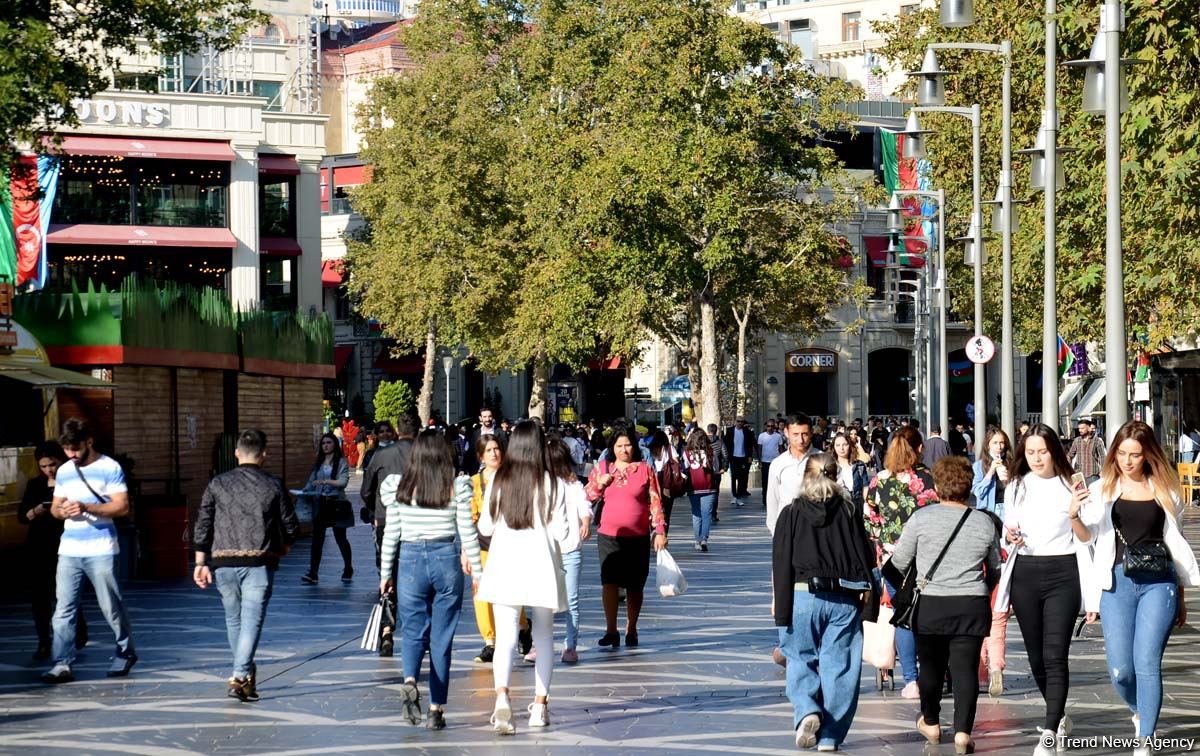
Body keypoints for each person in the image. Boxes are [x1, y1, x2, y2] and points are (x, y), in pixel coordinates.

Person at [1080, 421, 1199, 755]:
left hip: (1159, 585)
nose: (1127, 461)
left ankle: (1146, 738)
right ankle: (1139, 710)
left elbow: (1173, 544)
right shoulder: (1102, 488)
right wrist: (1074, 514)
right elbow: (1086, 535)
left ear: (1148, 455)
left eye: (1135, 454)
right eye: (1122, 453)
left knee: (1147, 662)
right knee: (1120, 670)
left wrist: (1182, 597)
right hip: (1116, 582)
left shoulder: (1165, 489)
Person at [890, 456, 1001, 754]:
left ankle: (932, 721)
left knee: (930, 667)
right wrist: (979, 589)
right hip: (971, 603)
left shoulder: (921, 518)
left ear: (937, 485)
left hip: (931, 604)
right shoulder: (984, 521)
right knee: (965, 669)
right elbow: (995, 567)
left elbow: (898, 563)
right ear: (968, 487)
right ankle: (963, 732)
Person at [993, 424, 1093, 755]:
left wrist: (1076, 515)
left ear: (1055, 451)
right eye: (1031, 451)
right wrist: (1010, 536)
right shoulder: (1016, 485)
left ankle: (1049, 732)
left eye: (1043, 451)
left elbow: (1086, 536)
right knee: (1036, 656)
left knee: (1054, 654)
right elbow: (1009, 528)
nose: (1037, 458)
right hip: (1025, 571)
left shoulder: (1072, 483)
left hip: (1064, 572)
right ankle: (1058, 713)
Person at [478, 423, 581, 733]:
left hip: (505, 565)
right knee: (544, 637)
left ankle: (503, 699)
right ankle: (539, 706)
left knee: (506, 639)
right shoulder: (553, 484)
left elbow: (484, 527)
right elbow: (563, 533)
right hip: (542, 566)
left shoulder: (498, 480)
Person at [378, 430, 483, 730]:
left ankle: (410, 679)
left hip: (410, 560)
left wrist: (386, 574)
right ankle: (436, 708)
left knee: (412, 630)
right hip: (445, 558)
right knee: (442, 638)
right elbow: (467, 533)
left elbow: (391, 534)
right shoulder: (455, 487)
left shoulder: (399, 488)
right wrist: (478, 571)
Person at [773, 453, 877, 752]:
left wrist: (781, 609)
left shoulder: (791, 514)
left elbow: (781, 563)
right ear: (835, 476)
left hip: (803, 593)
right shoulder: (848, 511)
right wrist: (868, 605)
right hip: (844, 597)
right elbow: (865, 557)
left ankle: (806, 709)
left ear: (806, 476)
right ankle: (830, 735)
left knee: (799, 657)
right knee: (840, 666)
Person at [192, 429, 298, 701]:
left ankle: (246, 673)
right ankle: (239, 675)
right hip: (259, 561)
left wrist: (200, 561)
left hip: (223, 562)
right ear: (264, 454)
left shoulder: (218, 483)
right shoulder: (273, 484)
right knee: (251, 620)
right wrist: (284, 547)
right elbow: (291, 525)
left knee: (234, 619)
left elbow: (203, 522)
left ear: (237, 452)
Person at [41, 418, 137, 683]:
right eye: (67, 450)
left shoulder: (110, 467)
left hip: (102, 548)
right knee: (64, 608)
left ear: (89, 442)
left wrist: (86, 507)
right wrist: (62, 510)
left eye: (76, 449)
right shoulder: (64, 471)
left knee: (110, 606)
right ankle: (61, 662)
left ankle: (125, 650)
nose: (71, 455)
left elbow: (121, 507)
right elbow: (55, 508)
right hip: (69, 548)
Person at [865, 425, 938, 699]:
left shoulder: (878, 481)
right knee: (930, 616)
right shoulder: (929, 480)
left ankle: (911, 679)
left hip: (893, 561)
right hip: (928, 558)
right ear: (919, 448)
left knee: (903, 617)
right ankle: (933, 670)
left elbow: (871, 524)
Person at [584, 427, 668, 650]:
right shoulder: (603, 468)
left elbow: (655, 500)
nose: (624, 450)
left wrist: (659, 530)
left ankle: (632, 628)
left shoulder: (645, 469)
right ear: (612, 448)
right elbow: (586, 497)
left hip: (638, 536)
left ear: (635, 446)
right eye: (619, 446)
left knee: (635, 584)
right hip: (608, 535)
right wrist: (600, 483)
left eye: (627, 445)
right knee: (609, 582)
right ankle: (611, 630)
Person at [19, 441, 86, 660]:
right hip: (38, 548)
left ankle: (78, 633)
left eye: (53, 464)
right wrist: (37, 510)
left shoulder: (72, 482)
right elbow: (22, 516)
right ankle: (43, 642)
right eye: (44, 466)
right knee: (40, 597)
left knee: (68, 593)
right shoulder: (34, 485)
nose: (49, 469)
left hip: (65, 546)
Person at [468, 435, 531, 664]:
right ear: (480, 456)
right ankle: (490, 641)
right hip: (483, 546)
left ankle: (523, 627)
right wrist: (466, 550)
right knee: (481, 594)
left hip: (510, 545)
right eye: (488, 450)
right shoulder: (474, 482)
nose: (494, 453)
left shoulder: (514, 478)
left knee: (512, 592)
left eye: (496, 449)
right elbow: (469, 518)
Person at [361, 416, 414, 656]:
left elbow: (365, 490)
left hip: (385, 519)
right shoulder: (426, 454)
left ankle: (386, 630)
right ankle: (417, 631)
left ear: (397, 431)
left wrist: (375, 508)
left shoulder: (380, 456)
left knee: (387, 573)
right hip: (418, 522)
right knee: (415, 577)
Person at [971, 427, 1014, 697]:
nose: (999, 447)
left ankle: (988, 669)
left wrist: (1007, 479)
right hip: (987, 522)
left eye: (1002, 443)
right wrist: (990, 473)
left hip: (1006, 526)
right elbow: (976, 493)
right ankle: (990, 667)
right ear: (987, 445)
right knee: (994, 612)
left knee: (995, 608)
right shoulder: (978, 466)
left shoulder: (1011, 466)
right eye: (994, 443)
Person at [546, 438, 592, 664]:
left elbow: (585, 505)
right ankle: (540, 644)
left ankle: (570, 645)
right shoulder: (540, 485)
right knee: (545, 600)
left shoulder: (573, 484)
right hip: (546, 550)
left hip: (571, 548)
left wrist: (585, 522)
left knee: (571, 599)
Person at [301, 432, 353, 585]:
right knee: (317, 539)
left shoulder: (342, 462)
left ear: (335, 445)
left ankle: (348, 568)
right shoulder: (319, 462)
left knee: (340, 538)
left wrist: (325, 481)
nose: (326, 445)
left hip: (336, 504)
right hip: (320, 503)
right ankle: (313, 573)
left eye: (329, 443)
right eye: (323, 443)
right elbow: (312, 481)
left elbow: (342, 482)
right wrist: (305, 490)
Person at [766, 413, 815, 535]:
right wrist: (775, 532)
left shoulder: (823, 459)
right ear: (786, 433)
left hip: (816, 529)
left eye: (804, 434)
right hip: (787, 529)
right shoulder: (778, 464)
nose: (801, 440)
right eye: (795, 434)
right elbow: (773, 500)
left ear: (811, 433)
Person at [682, 428, 719, 552]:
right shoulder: (711, 451)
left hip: (693, 487)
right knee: (707, 514)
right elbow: (715, 467)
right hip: (708, 486)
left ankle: (697, 540)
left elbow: (685, 468)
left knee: (696, 513)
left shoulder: (687, 452)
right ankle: (704, 538)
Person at [647, 430, 680, 533]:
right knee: (667, 509)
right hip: (667, 480)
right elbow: (676, 462)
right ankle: (664, 532)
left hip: (654, 478)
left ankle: (654, 530)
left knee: (654, 506)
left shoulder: (649, 449)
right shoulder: (669, 448)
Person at [832, 433, 869, 512]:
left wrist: (866, 503)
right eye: (838, 445)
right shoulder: (830, 466)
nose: (841, 448)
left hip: (857, 503)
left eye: (845, 444)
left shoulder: (859, 465)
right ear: (833, 447)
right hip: (837, 505)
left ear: (850, 445)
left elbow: (865, 487)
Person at [724, 417, 756, 508]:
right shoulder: (730, 431)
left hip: (743, 457)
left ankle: (739, 496)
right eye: (738, 421)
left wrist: (750, 456)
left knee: (742, 477)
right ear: (735, 422)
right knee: (734, 476)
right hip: (733, 457)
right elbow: (725, 443)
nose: (740, 423)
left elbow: (750, 445)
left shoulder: (747, 432)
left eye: (742, 421)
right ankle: (734, 495)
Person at [465, 408, 506, 476]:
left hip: (496, 472)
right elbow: (470, 452)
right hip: (477, 471)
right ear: (480, 418)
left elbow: (505, 452)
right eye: (485, 417)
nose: (487, 419)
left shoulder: (501, 433)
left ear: (492, 417)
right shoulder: (475, 434)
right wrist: (463, 468)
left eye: (489, 416)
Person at [1068, 418, 1106, 485]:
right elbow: (1070, 454)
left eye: (1082, 428)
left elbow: (1102, 457)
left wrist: (1103, 471)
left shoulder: (1097, 441)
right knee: (1081, 494)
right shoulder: (1077, 440)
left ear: (1089, 428)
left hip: (1093, 475)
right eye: (1079, 428)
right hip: (1078, 475)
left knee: (1094, 494)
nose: (1080, 430)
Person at [758, 420, 785, 506]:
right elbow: (759, 449)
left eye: (772, 426)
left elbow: (781, 449)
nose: (770, 428)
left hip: (775, 462)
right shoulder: (761, 436)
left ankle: (775, 498)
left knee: (776, 481)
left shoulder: (778, 436)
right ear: (766, 427)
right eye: (768, 426)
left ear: (775, 427)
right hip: (765, 461)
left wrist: (782, 460)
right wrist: (760, 461)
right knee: (765, 481)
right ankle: (764, 498)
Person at [705, 423, 728, 522]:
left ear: (708, 430)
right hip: (717, 471)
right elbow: (726, 455)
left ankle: (706, 513)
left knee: (706, 492)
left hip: (705, 471)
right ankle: (713, 514)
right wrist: (724, 468)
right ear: (716, 431)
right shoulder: (720, 442)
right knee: (715, 492)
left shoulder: (703, 442)